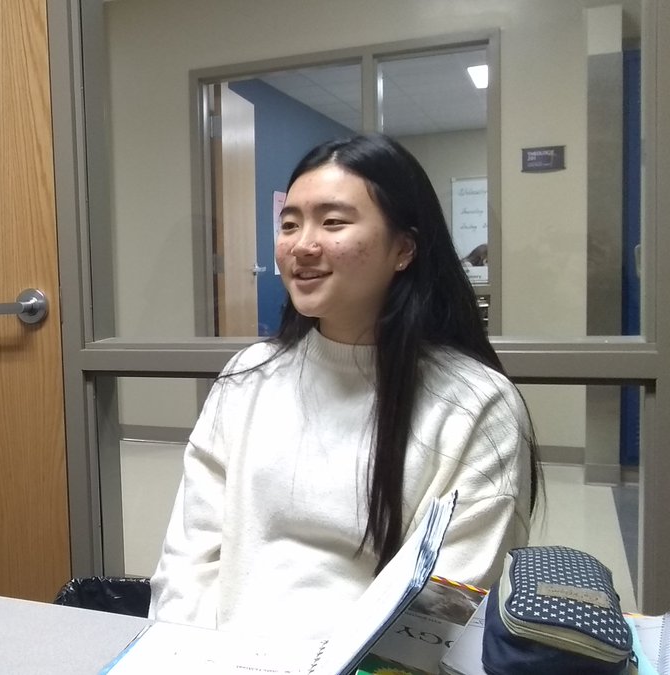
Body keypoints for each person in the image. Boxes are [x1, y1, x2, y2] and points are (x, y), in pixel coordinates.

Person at [149, 134, 539, 640]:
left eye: (333, 222)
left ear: (404, 248)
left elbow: (444, 603)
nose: (303, 245)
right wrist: (181, 655)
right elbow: (190, 556)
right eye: (289, 224)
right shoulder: (247, 377)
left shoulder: (476, 405)